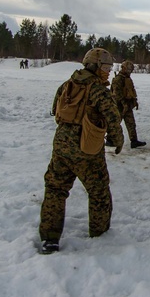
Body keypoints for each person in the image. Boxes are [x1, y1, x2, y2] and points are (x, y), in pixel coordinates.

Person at [37, 47, 123, 255]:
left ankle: (49, 238)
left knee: (55, 190)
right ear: (95, 66)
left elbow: (54, 109)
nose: (109, 71)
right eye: (106, 67)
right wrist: (118, 141)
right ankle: (100, 234)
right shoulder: (98, 90)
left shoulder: (67, 84)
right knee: (99, 191)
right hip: (87, 149)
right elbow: (113, 118)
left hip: (61, 146)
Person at [110, 60, 145, 148]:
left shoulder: (127, 78)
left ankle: (134, 141)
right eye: (128, 69)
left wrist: (134, 101)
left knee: (131, 123)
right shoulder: (118, 79)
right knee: (116, 122)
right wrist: (123, 103)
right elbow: (117, 93)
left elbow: (130, 90)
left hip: (127, 105)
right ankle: (110, 140)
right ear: (124, 68)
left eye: (131, 69)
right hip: (119, 105)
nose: (130, 71)